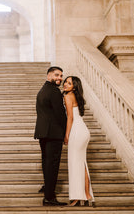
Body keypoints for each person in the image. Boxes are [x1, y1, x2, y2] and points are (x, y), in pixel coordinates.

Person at [34, 66, 67, 206]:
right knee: (52, 164)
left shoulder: (43, 90)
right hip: (53, 133)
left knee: (46, 162)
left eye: (61, 76)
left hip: (43, 132)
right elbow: (60, 115)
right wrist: (67, 132)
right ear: (48, 75)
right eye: (56, 75)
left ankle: (47, 187)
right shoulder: (54, 91)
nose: (59, 78)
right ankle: (49, 197)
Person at [63, 76, 95, 207]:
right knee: (82, 164)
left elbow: (70, 117)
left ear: (74, 87)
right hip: (83, 130)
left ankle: (77, 198)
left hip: (76, 131)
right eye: (65, 81)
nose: (65, 84)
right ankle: (87, 196)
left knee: (75, 164)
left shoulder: (67, 96)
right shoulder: (76, 97)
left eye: (69, 83)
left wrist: (66, 135)